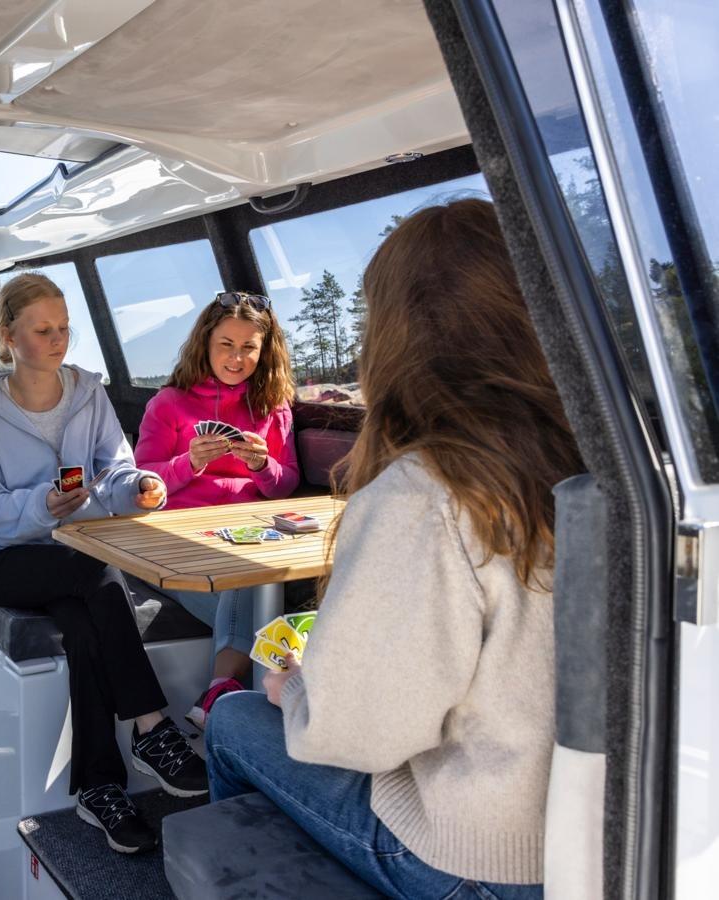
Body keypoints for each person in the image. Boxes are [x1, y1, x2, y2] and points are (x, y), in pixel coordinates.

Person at [204, 199, 582, 898]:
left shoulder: (425, 495)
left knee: (231, 718)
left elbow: (355, 738)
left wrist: (295, 694)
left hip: (477, 861)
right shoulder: (600, 463)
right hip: (593, 847)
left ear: (394, 336)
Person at [0, 273, 208, 855]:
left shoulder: (89, 393)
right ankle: (150, 725)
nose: (58, 339)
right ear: (8, 336)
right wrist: (38, 506)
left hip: (75, 552)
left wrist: (140, 486)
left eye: (65, 327)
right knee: (99, 575)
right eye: (43, 329)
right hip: (4, 560)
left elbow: (114, 470)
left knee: (83, 624)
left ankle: (99, 789)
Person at [133, 291, 298, 728]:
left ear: (265, 352)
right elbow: (141, 482)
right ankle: (228, 698)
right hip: (177, 542)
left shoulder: (273, 406)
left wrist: (263, 465)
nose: (236, 357)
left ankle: (219, 697)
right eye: (226, 344)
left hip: (246, 536)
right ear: (205, 344)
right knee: (258, 589)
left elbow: (286, 485)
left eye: (249, 347)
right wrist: (191, 463)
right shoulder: (167, 404)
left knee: (254, 575)